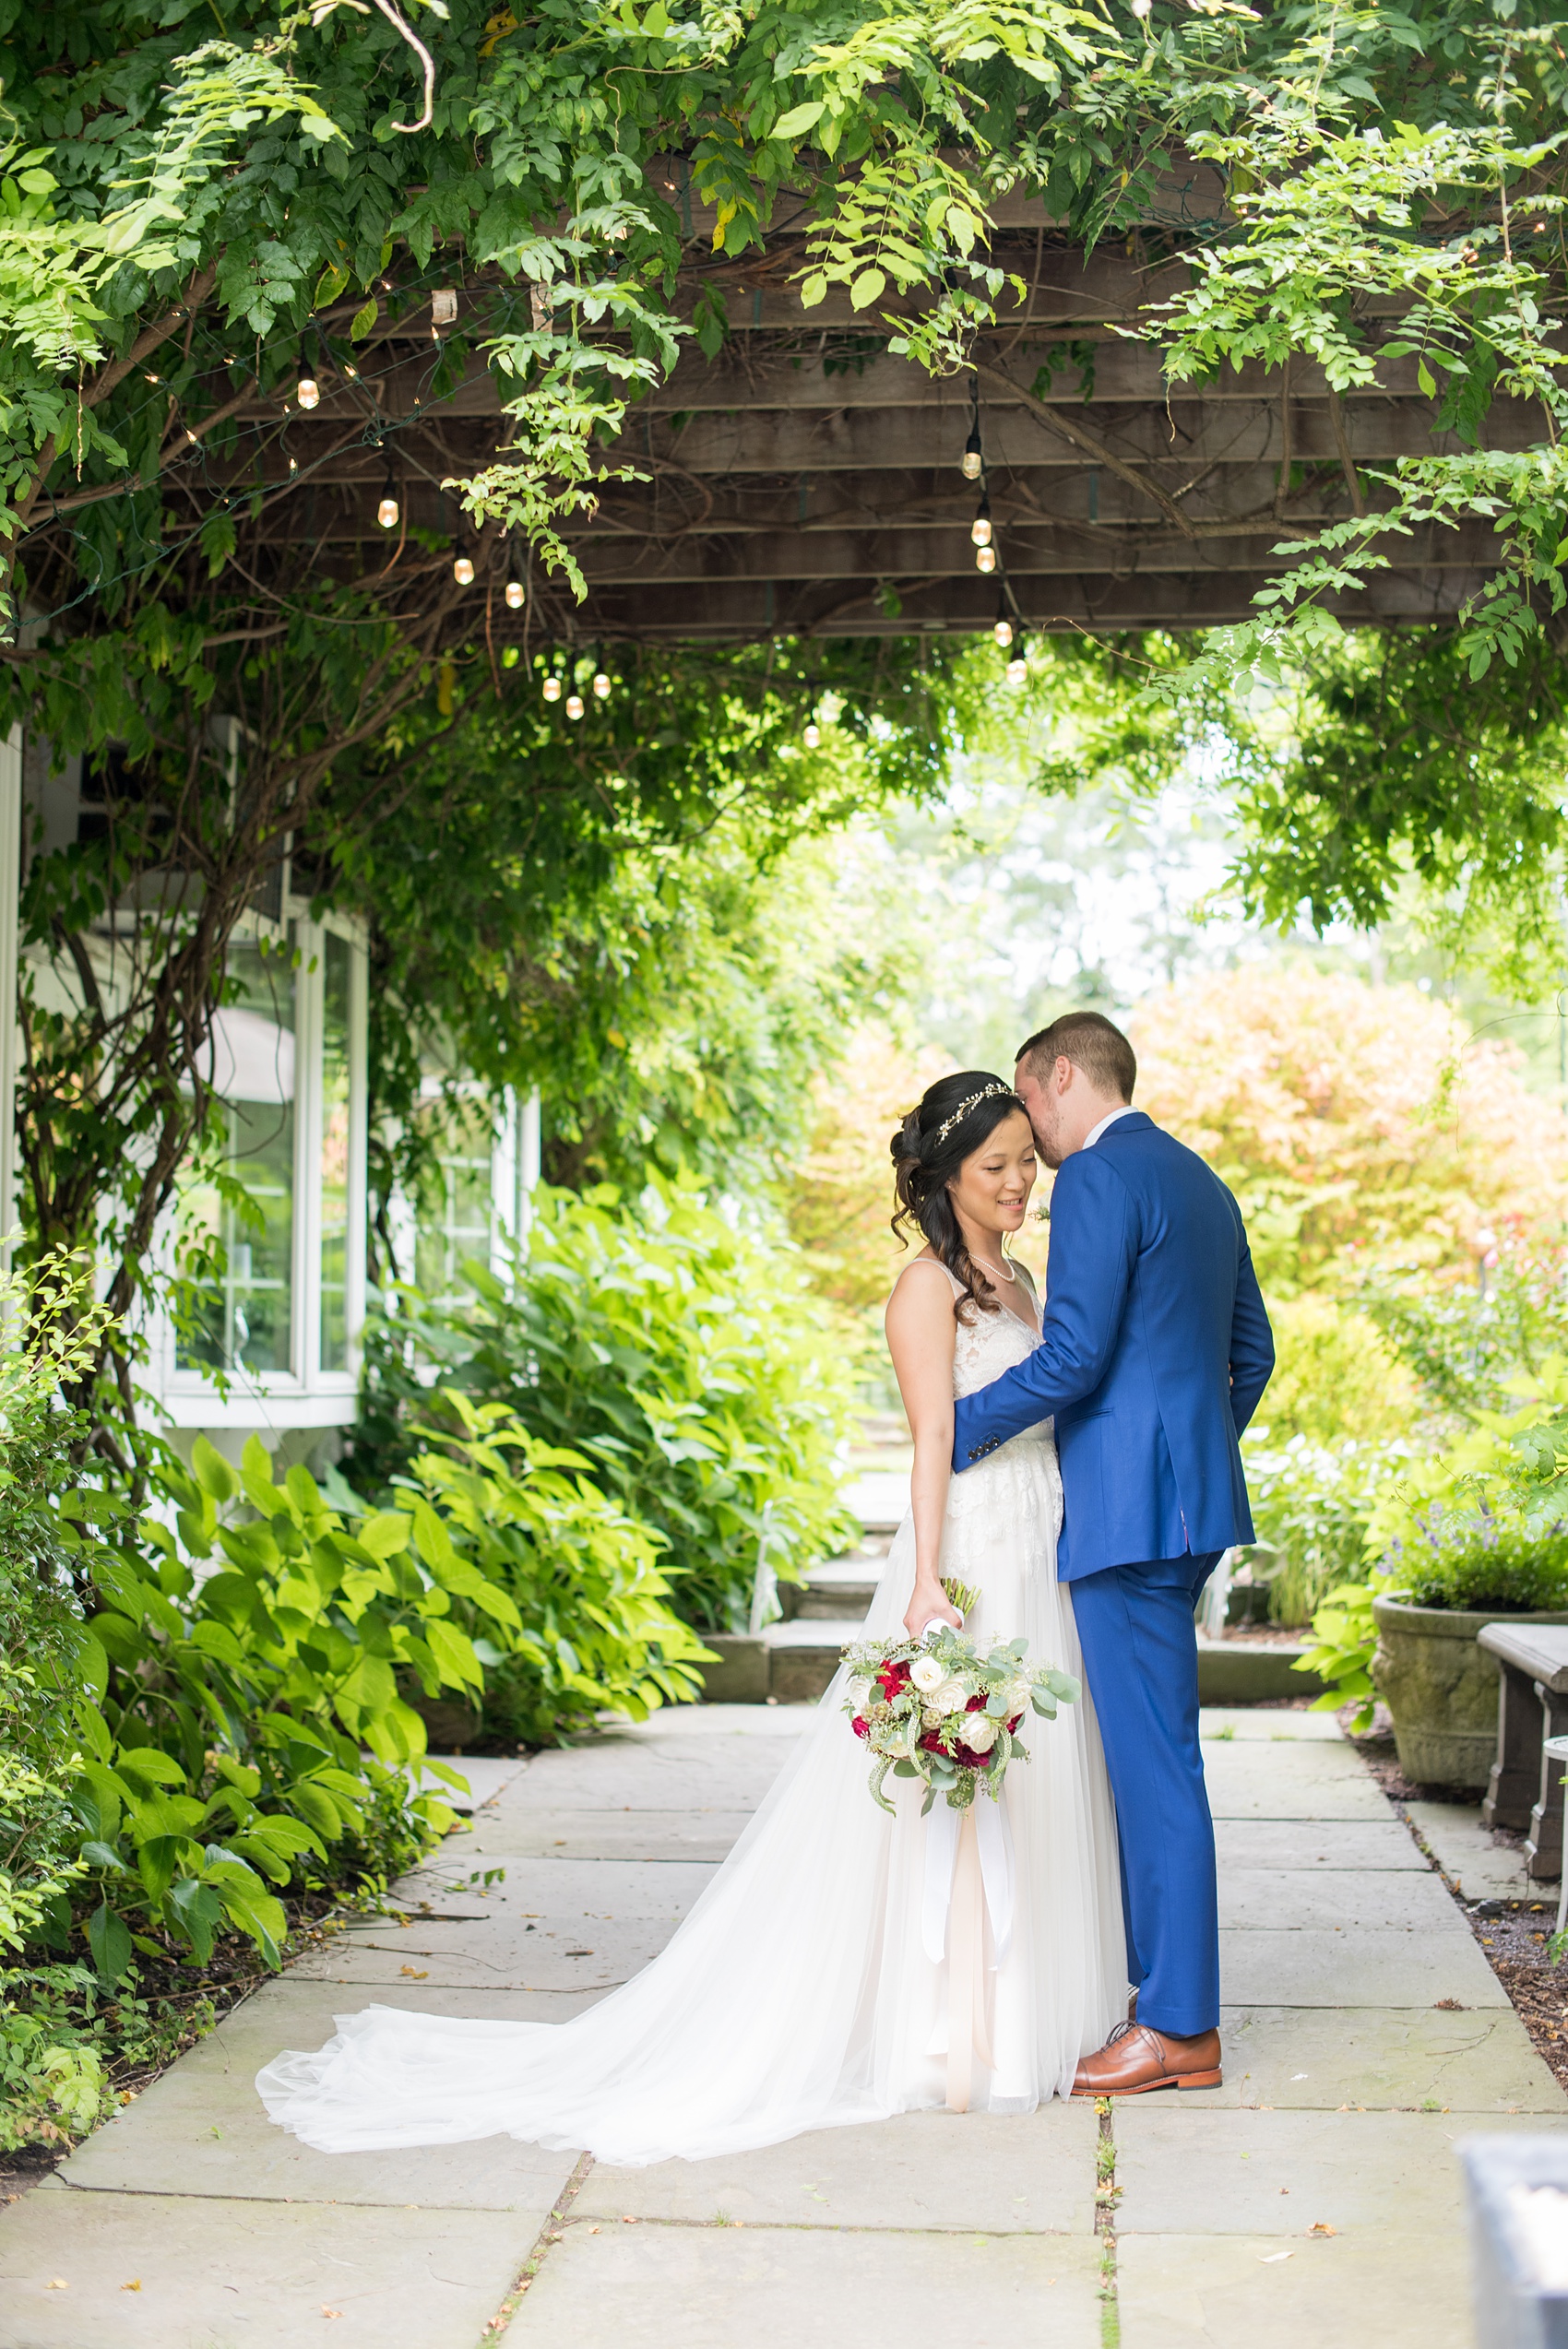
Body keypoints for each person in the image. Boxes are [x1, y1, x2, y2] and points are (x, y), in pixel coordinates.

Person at [255, 1072, 1125, 2165]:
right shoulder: (922, 1291)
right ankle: (953, 2040)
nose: (1016, 1184)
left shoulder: (1024, 1275)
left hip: (1035, 1535)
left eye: (1022, 1164)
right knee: (952, 1793)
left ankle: (1027, 2015)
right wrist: (926, 1583)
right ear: (942, 1176)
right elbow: (931, 1442)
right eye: (992, 1167)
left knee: (1033, 1777)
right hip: (969, 1547)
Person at [950, 1011, 1275, 2097]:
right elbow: (1250, 1353)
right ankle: (1161, 2005)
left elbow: (1078, 1357)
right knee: (1152, 1756)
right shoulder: (1198, 1180)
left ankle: (1176, 2027)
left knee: (1151, 1770)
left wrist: (954, 1430)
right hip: (1182, 1513)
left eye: (1023, 1098)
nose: (1024, 1136)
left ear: (1056, 1076)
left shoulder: (1093, 1178)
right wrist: (1181, 1449)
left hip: (1124, 1516)